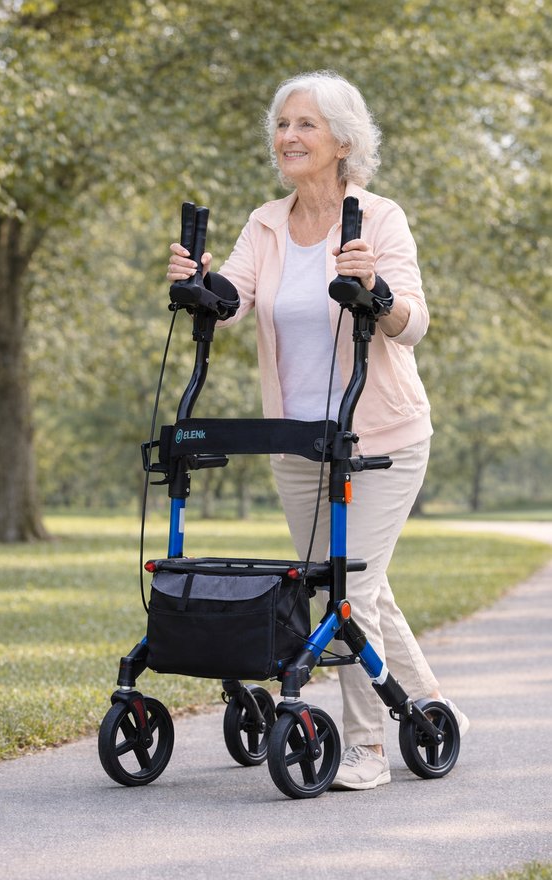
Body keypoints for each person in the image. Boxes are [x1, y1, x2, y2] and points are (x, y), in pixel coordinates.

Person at [167, 70, 468, 790]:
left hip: (381, 438)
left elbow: (413, 323)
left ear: (342, 141)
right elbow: (232, 297)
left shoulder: (379, 218)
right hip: (298, 441)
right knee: (353, 587)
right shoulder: (266, 222)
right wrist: (199, 281)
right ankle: (425, 706)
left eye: (304, 124)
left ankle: (365, 750)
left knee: (347, 594)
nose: (288, 137)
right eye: (281, 125)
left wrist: (376, 290)